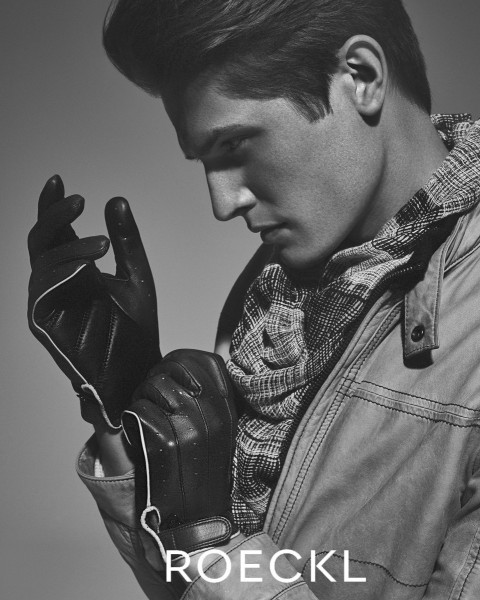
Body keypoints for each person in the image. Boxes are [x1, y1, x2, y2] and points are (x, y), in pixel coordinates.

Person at [27, 0, 480, 598]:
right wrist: (127, 417)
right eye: (205, 162)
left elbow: (213, 560)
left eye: (236, 144)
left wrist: (207, 546)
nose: (223, 203)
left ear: (361, 77)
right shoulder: (274, 287)